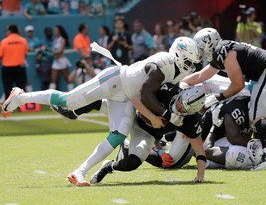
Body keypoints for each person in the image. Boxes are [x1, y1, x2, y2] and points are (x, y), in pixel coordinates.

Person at [2, 36, 201, 186]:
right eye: (188, 61)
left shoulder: (176, 70)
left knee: (117, 136)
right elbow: (146, 95)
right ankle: (21, 97)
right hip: (115, 81)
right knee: (68, 100)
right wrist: (164, 116)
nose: (190, 66)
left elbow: (143, 96)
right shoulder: (163, 63)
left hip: (125, 97)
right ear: (178, 54)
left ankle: (80, 172)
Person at [53, 82, 206, 184]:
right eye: (179, 102)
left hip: (146, 134)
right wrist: (152, 116)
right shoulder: (167, 90)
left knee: (132, 163)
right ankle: (72, 113)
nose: (178, 107)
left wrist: (201, 175)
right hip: (132, 112)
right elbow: (136, 96)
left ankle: (109, 166)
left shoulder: (191, 121)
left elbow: (199, 149)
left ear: (190, 113)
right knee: (98, 101)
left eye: (183, 109)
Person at [182, 27, 266, 170]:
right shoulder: (222, 50)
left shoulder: (223, 49)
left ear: (209, 43)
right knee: (260, 114)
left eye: (201, 48)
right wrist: (181, 83)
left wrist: (218, 97)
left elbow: (238, 84)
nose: (200, 52)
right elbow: (202, 75)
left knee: (258, 114)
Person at [0, 24, 28, 99]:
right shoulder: (23, 40)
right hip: (20, 68)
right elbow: (25, 54)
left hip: (7, 68)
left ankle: (8, 108)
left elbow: (1, 55)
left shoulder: (4, 41)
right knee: (21, 88)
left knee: (8, 89)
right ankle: (23, 107)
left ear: (9, 31)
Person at [49, 25, 73, 91]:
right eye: (54, 30)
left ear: (59, 31)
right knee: (53, 79)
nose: (54, 32)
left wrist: (51, 51)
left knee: (68, 79)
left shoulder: (63, 40)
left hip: (62, 61)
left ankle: (72, 93)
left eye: (56, 30)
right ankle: (50, 95)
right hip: (56, 61)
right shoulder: (55, 40)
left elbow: (60, 51)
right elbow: (54, 51)